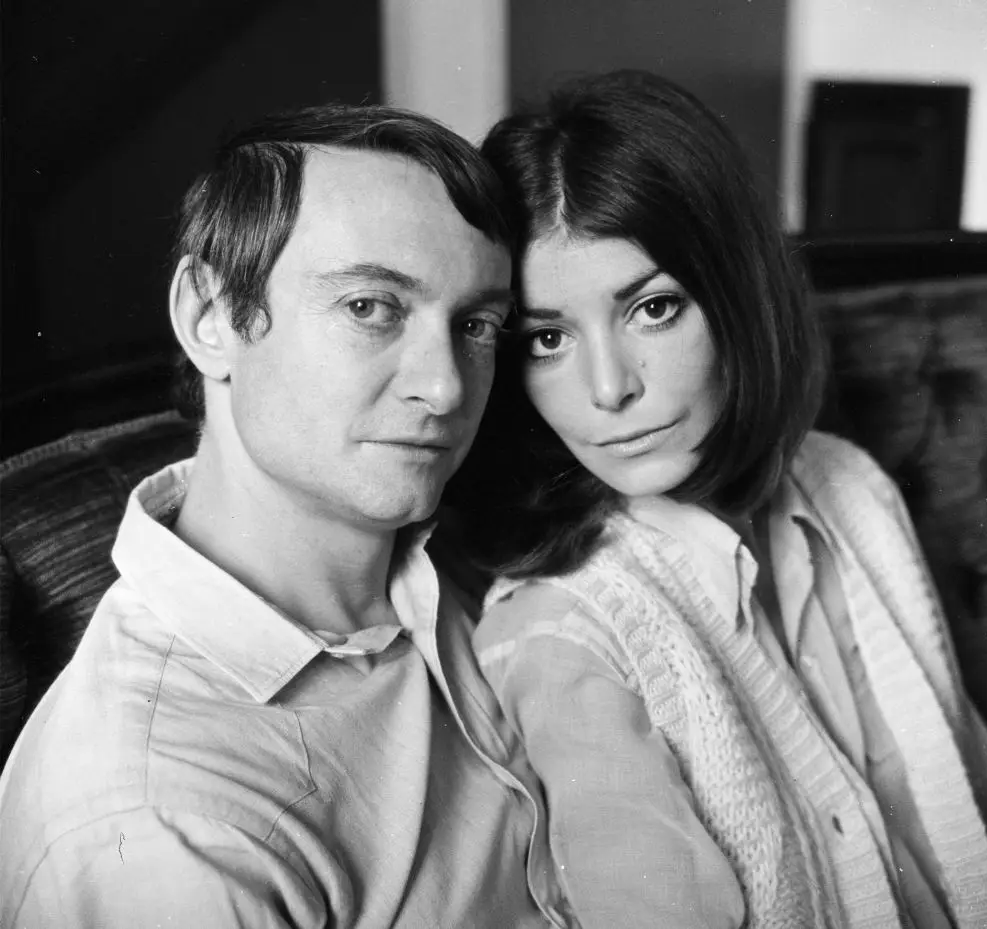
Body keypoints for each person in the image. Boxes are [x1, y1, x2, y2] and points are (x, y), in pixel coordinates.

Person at [449, 70, 987, 928]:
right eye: (549, 337)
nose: (608, 389)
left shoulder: (846, 487)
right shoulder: (560, 637)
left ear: (738, 291)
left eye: (652, 307)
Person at [0, 103, 573, 928]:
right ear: (210, 317)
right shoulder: (163, 824)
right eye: (370, 307)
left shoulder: (464, 548)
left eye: (476, 324)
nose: (445, 387)